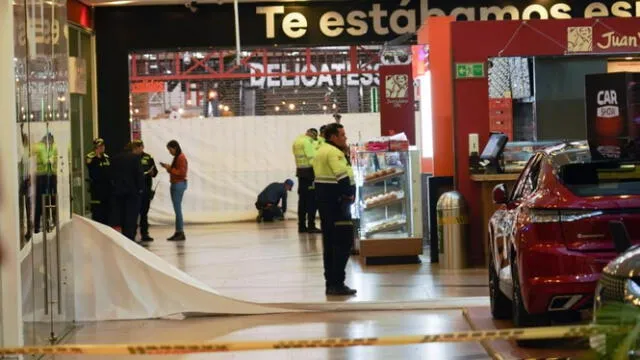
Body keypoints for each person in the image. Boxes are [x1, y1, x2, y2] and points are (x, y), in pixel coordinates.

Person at [313, 123, 357, 296]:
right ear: (332, 137)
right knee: (343, 243)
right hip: (338, 204)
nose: (345, 138)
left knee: (330, 244)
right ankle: (337, 283)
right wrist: (349, 195)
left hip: (325, 202)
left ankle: (330, 283)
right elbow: (342, 177)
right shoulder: (334, 153)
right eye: (342, 135)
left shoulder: (321, 150)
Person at [110, 142, 144, 241]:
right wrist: (140, 189)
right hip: (132, 192)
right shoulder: (135, 158)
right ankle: (130, 236)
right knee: (131, 215)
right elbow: (139, 175)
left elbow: (111, 175)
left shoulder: (115, 159)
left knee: (122, 214)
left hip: (119, 191)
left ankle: (123, 236)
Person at [292, 128, 321, 234]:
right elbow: (312, 158)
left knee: (302, 201)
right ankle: (311, 226)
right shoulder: (307, 142)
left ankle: (301, 226)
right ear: (313, 135)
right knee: (312, 201)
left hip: (300, 173)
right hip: (310, 174)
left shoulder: (297, 141)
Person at [160, 140, 188, 241]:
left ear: (175, 147)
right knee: (177, 209)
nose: (169, 152)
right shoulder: (178, 157)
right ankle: (178, 231)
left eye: (170, 149)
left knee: (177, 210)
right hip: (177, 184)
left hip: (178, 184)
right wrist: (169, 168)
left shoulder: (181, 157)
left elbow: (182, 173)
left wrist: (170, 169)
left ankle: (180, 232)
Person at [133, 140, 158, 242]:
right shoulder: (132, 157)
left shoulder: (148, 157)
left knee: (144, 212)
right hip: (135, 189)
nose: (139, 148)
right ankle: (132, 232)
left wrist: (152, 172)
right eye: (137, 146)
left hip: (146, 188)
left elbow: (155, 172)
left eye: (140, 146)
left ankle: (145, 233)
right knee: (134, 212)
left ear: (143, 147)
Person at [33, 133, 58, 234]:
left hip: (51, 175)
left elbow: (53, 159)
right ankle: (39, 225)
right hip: (42, 176)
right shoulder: (41, 146)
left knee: (51, 199)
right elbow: (44, 160)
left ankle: (50, 221)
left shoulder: (53, 146)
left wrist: (51, 161)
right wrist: (50, 160)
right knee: (41, 200)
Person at [86, 138, 111, 225]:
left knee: (106, 211)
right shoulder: (91, 157)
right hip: (96, 188)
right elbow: (91, 168)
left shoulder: (107, 157)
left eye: (103, 146)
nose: (102, 148)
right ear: (96, 147)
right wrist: (97, 155)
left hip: (107, 188)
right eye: (100, 146)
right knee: (97, 211)